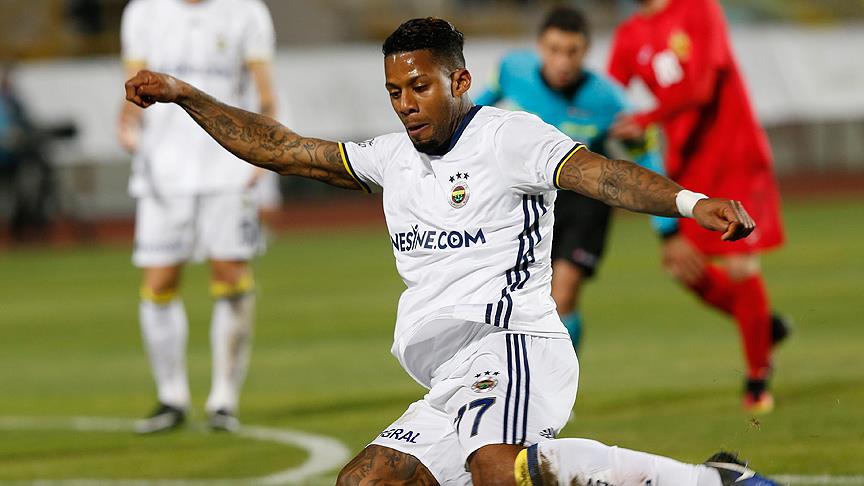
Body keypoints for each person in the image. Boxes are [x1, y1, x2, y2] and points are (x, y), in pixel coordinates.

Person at [124, 17, 779, 486]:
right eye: (395, 92)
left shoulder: (507, 138)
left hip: (514, 343)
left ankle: (710, 483)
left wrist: (690, 202)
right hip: (450, 375)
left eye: (420, 87)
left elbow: (600, 174)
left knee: (496, 468)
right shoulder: (390, 157)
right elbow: (282, 148)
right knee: (366, 481)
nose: (406, 104)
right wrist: (187, 96)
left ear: (459, 79)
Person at [608, 0, 788, 414]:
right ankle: (763, 327)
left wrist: (645, 119)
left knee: (740, 264)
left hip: (736, 154)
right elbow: (609, 94)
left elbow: (700, 87)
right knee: (682, 266)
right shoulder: (629, 34)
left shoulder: (699, 8)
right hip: (688, 163)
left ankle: (757, 376)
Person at [474, 6, 678, 351]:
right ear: (540, 47)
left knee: (563, 296)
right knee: (515, 301)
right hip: (527, 199)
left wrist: (667, 229)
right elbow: (474, 114)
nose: (563, 62)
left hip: (584, 200)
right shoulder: (512, 70)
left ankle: (562, 383)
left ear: (586, 51)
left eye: (573, 52)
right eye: (554, 50)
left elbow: (646, 155)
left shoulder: (609, 99)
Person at [117, 0, 277, 433]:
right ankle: (171, 396)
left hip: (228, 166)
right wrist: (126, 123)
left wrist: (264, 152)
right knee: (159, 281)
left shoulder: (246, 11)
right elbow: (132, 88)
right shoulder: (142, 12)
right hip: (163, 171)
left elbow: (265, 93)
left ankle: (224, 399)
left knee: (230, 274)